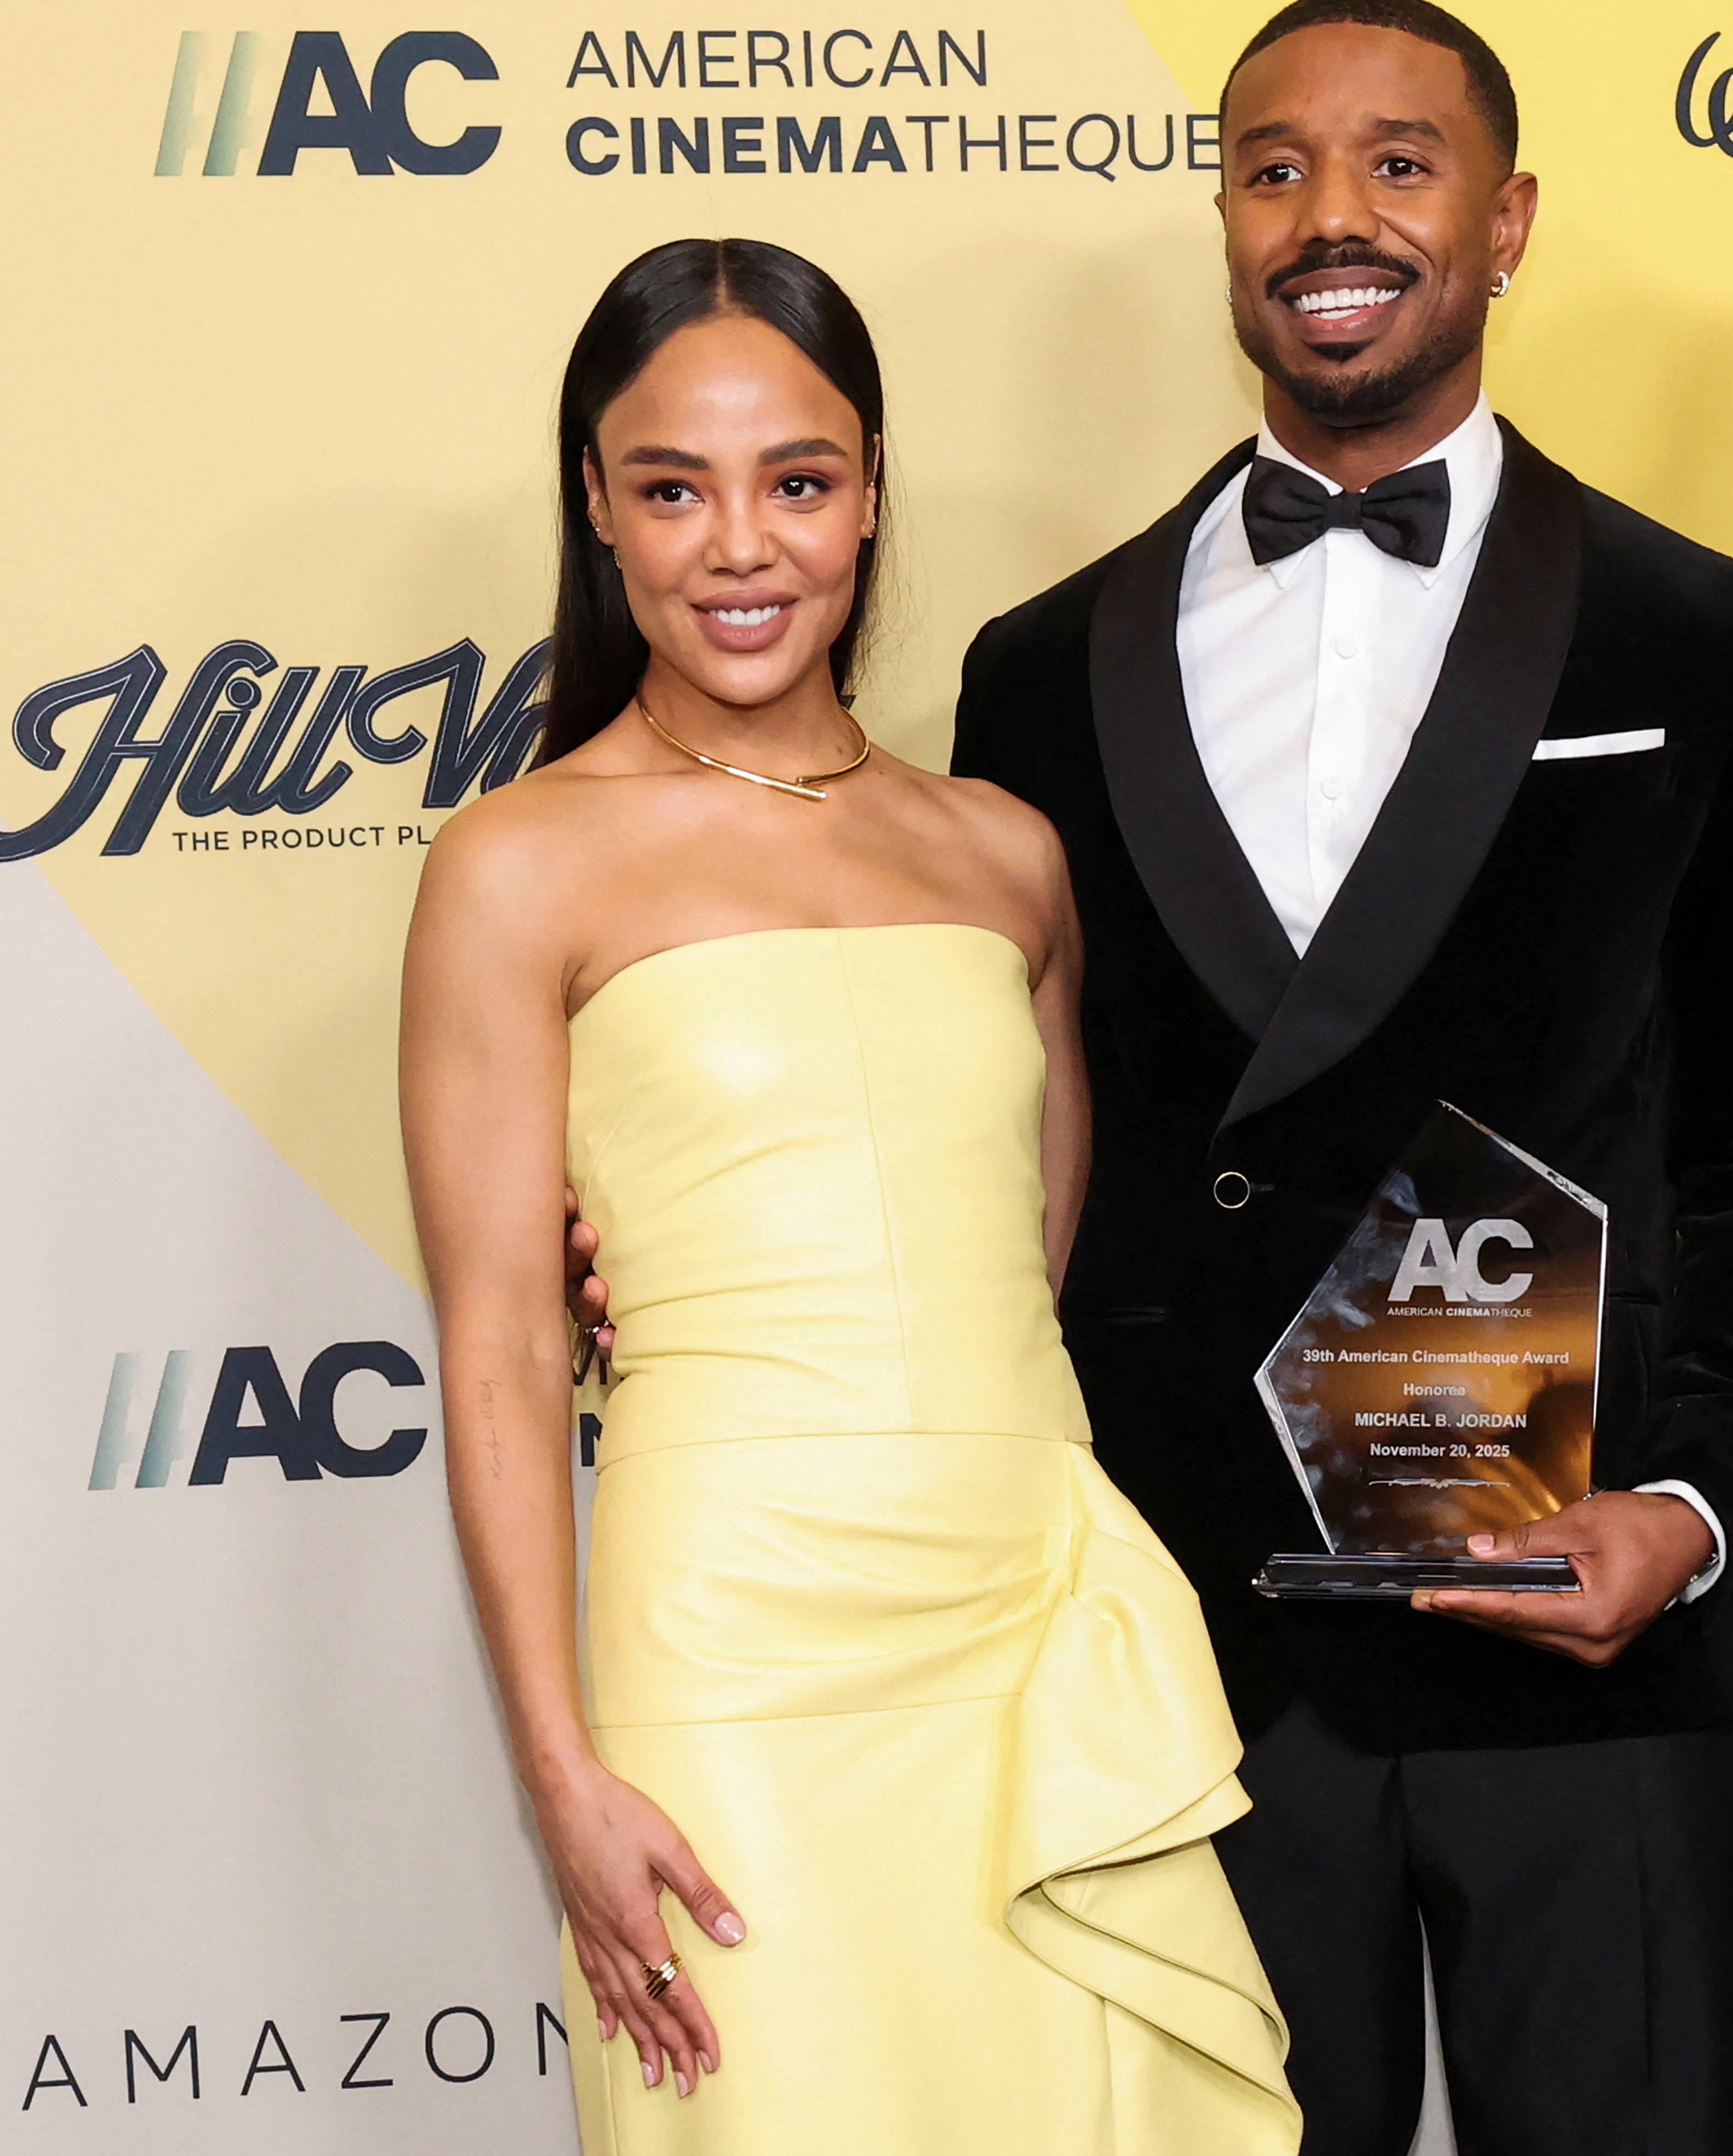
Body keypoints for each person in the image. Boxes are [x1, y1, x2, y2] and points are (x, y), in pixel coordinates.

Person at [945, 0, 1733, 2156]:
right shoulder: (1036, 669)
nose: (1329, 217)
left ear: (1505, 218)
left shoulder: (1709, 636)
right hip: (1187, 1641)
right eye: (1273, 168)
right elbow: (986, 1129)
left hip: (1574, 1611)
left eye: (1396, 161)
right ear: (1225, 222)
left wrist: (1695, 1509)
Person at [405, 237, 1297, 2156]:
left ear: (872, 490)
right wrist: (560, 1770)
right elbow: (496, 1349)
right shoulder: (514, 866)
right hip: (732, 1647)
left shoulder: (1003, 854)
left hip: (1031, 1617)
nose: (740, 547)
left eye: (796, 480)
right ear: (596, 506)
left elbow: (1024, 1259)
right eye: (672, 489)